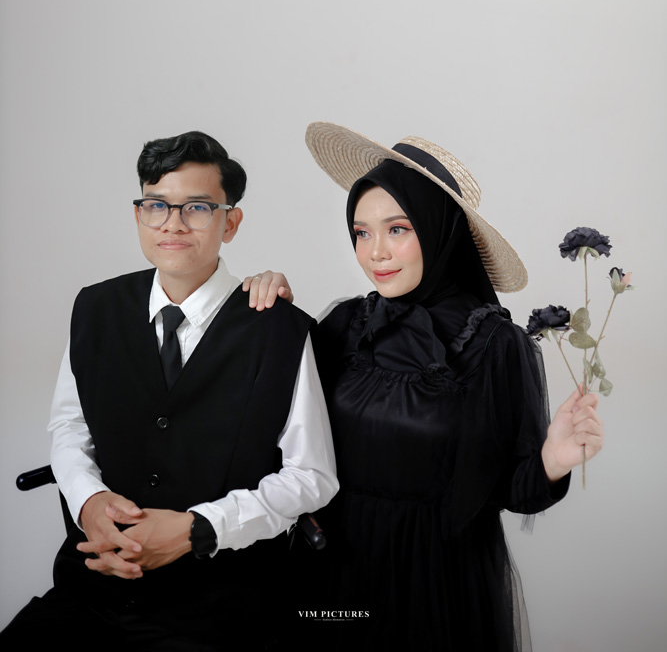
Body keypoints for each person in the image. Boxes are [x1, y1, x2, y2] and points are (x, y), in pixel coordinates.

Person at [246, 122, 604, 652]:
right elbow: (269, 432)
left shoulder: (493, 344)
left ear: (439, 231)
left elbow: (514, 491)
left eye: (397, 229)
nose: (375, 253)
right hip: (330, 570)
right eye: (361, 233)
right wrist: (269, 316)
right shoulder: (345, 326)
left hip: (435, 583)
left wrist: (553, 460)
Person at [2, 130, 337, 651]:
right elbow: (70, 425)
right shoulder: (95, 308)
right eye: (156, 205)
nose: (172, 224)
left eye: (197, 208)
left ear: (230, 223)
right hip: (90, 588)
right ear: (139, 214)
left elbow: (312, 476)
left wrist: (198, 529)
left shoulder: (281, 329)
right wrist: (89, 503)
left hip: (217, 610)